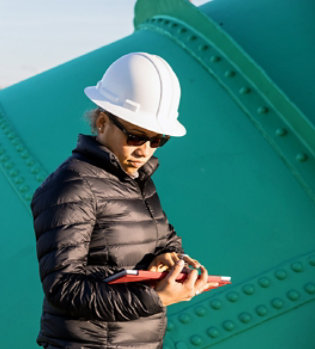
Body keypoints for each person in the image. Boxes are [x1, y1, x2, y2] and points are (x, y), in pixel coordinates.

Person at [30, 52, 219, 349]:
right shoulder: (71, 187)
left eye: (157, 141)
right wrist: (155, 299)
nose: (145, 151)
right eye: (135, 136)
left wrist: (171, 259)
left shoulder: (137, 180)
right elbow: (63, 287)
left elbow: (165, 239)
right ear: (103, 122)